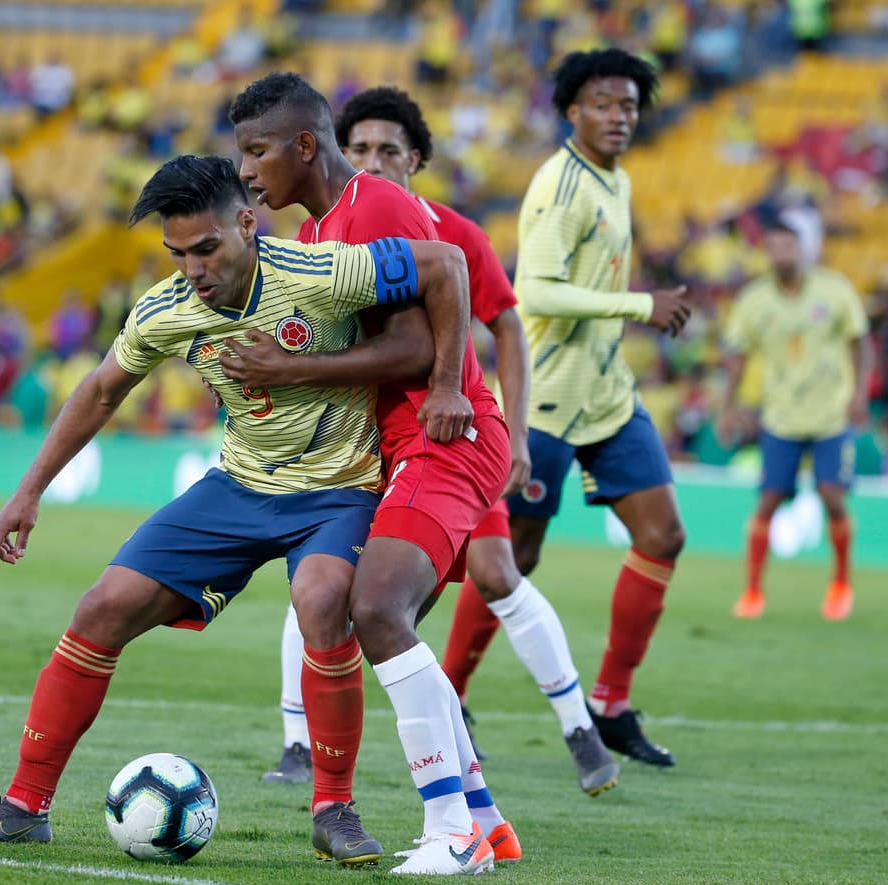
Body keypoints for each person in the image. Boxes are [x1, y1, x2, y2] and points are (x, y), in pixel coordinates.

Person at [0, 155, 474, 868]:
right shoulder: (166, 309)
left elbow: (446, 266)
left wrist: (446, 384)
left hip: (338, 492)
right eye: (178, 253)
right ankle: (24, 807)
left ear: (247, 224)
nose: (194, 268)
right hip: (237, 488)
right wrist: (28, 491)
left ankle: (334, 809)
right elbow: (100, 391)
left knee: (321, 601)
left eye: (207, 248)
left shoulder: (320, 273)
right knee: (101, 608)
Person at [255, 85, 619, 797]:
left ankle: (574, 730)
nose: (373, 160)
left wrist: (514, 431)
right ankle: (309, 744)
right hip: (380, 447)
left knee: (488, 574)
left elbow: (505, 326)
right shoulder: (316, 236)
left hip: (448, 433)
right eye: (360, 148)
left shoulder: (450, 231)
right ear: (335, 151)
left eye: (389, 149)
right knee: (330, 585)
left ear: (414, 159)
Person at [230, 72, 513, 875]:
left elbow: (423, 331)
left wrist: (451, 384)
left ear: (303, 147)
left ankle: (451, 832)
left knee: (377, 608)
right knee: (387, 616)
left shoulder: (375, 205)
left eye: (257, 152)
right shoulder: (320, 235)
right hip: (401, 446)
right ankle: (485, 820)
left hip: (440, 432)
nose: (247, 171)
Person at [458, 48, 691, 767]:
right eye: (602, 104)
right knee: (513, 554)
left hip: (607, 391)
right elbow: (540, 291)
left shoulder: (613, 180)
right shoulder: (560, 186)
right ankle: (448, 692)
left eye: (627, 105)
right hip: (549, 397)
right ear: (572, 111)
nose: (618, 116)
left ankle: (611, 703)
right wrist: (639, 304)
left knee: (663, 535)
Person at [719, 214, 870, 620]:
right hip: (780, 417)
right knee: (768, 501)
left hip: (830, 416)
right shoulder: (754, 300)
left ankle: (840, 584)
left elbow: (859, 343)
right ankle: (752, 592)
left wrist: (859, 394)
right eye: (773, 246)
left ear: (802, 249)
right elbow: (736, 357)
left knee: (832, 497)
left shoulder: (834, 291)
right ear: (766, 252)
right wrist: (728, 408)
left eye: (788, 245)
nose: (781, 253)